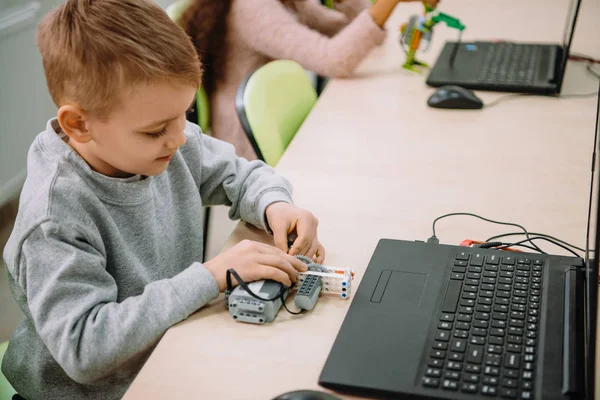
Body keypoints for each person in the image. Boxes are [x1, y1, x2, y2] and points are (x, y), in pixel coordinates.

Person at [1, 1, 325, 398]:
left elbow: (236, 173)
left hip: (167, 349)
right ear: (79, 124)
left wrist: (276, 204)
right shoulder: (54, 220)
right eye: (156, 130)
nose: (179, 138)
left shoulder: (166, 141)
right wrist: (210, 276)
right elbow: (85, 348)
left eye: (184, 113)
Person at [182, 0, 439, 160]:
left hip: (278, 112)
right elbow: (334, 60)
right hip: (251, 133)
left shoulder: (288, 2)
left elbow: (352, 33)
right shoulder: (253, 7)